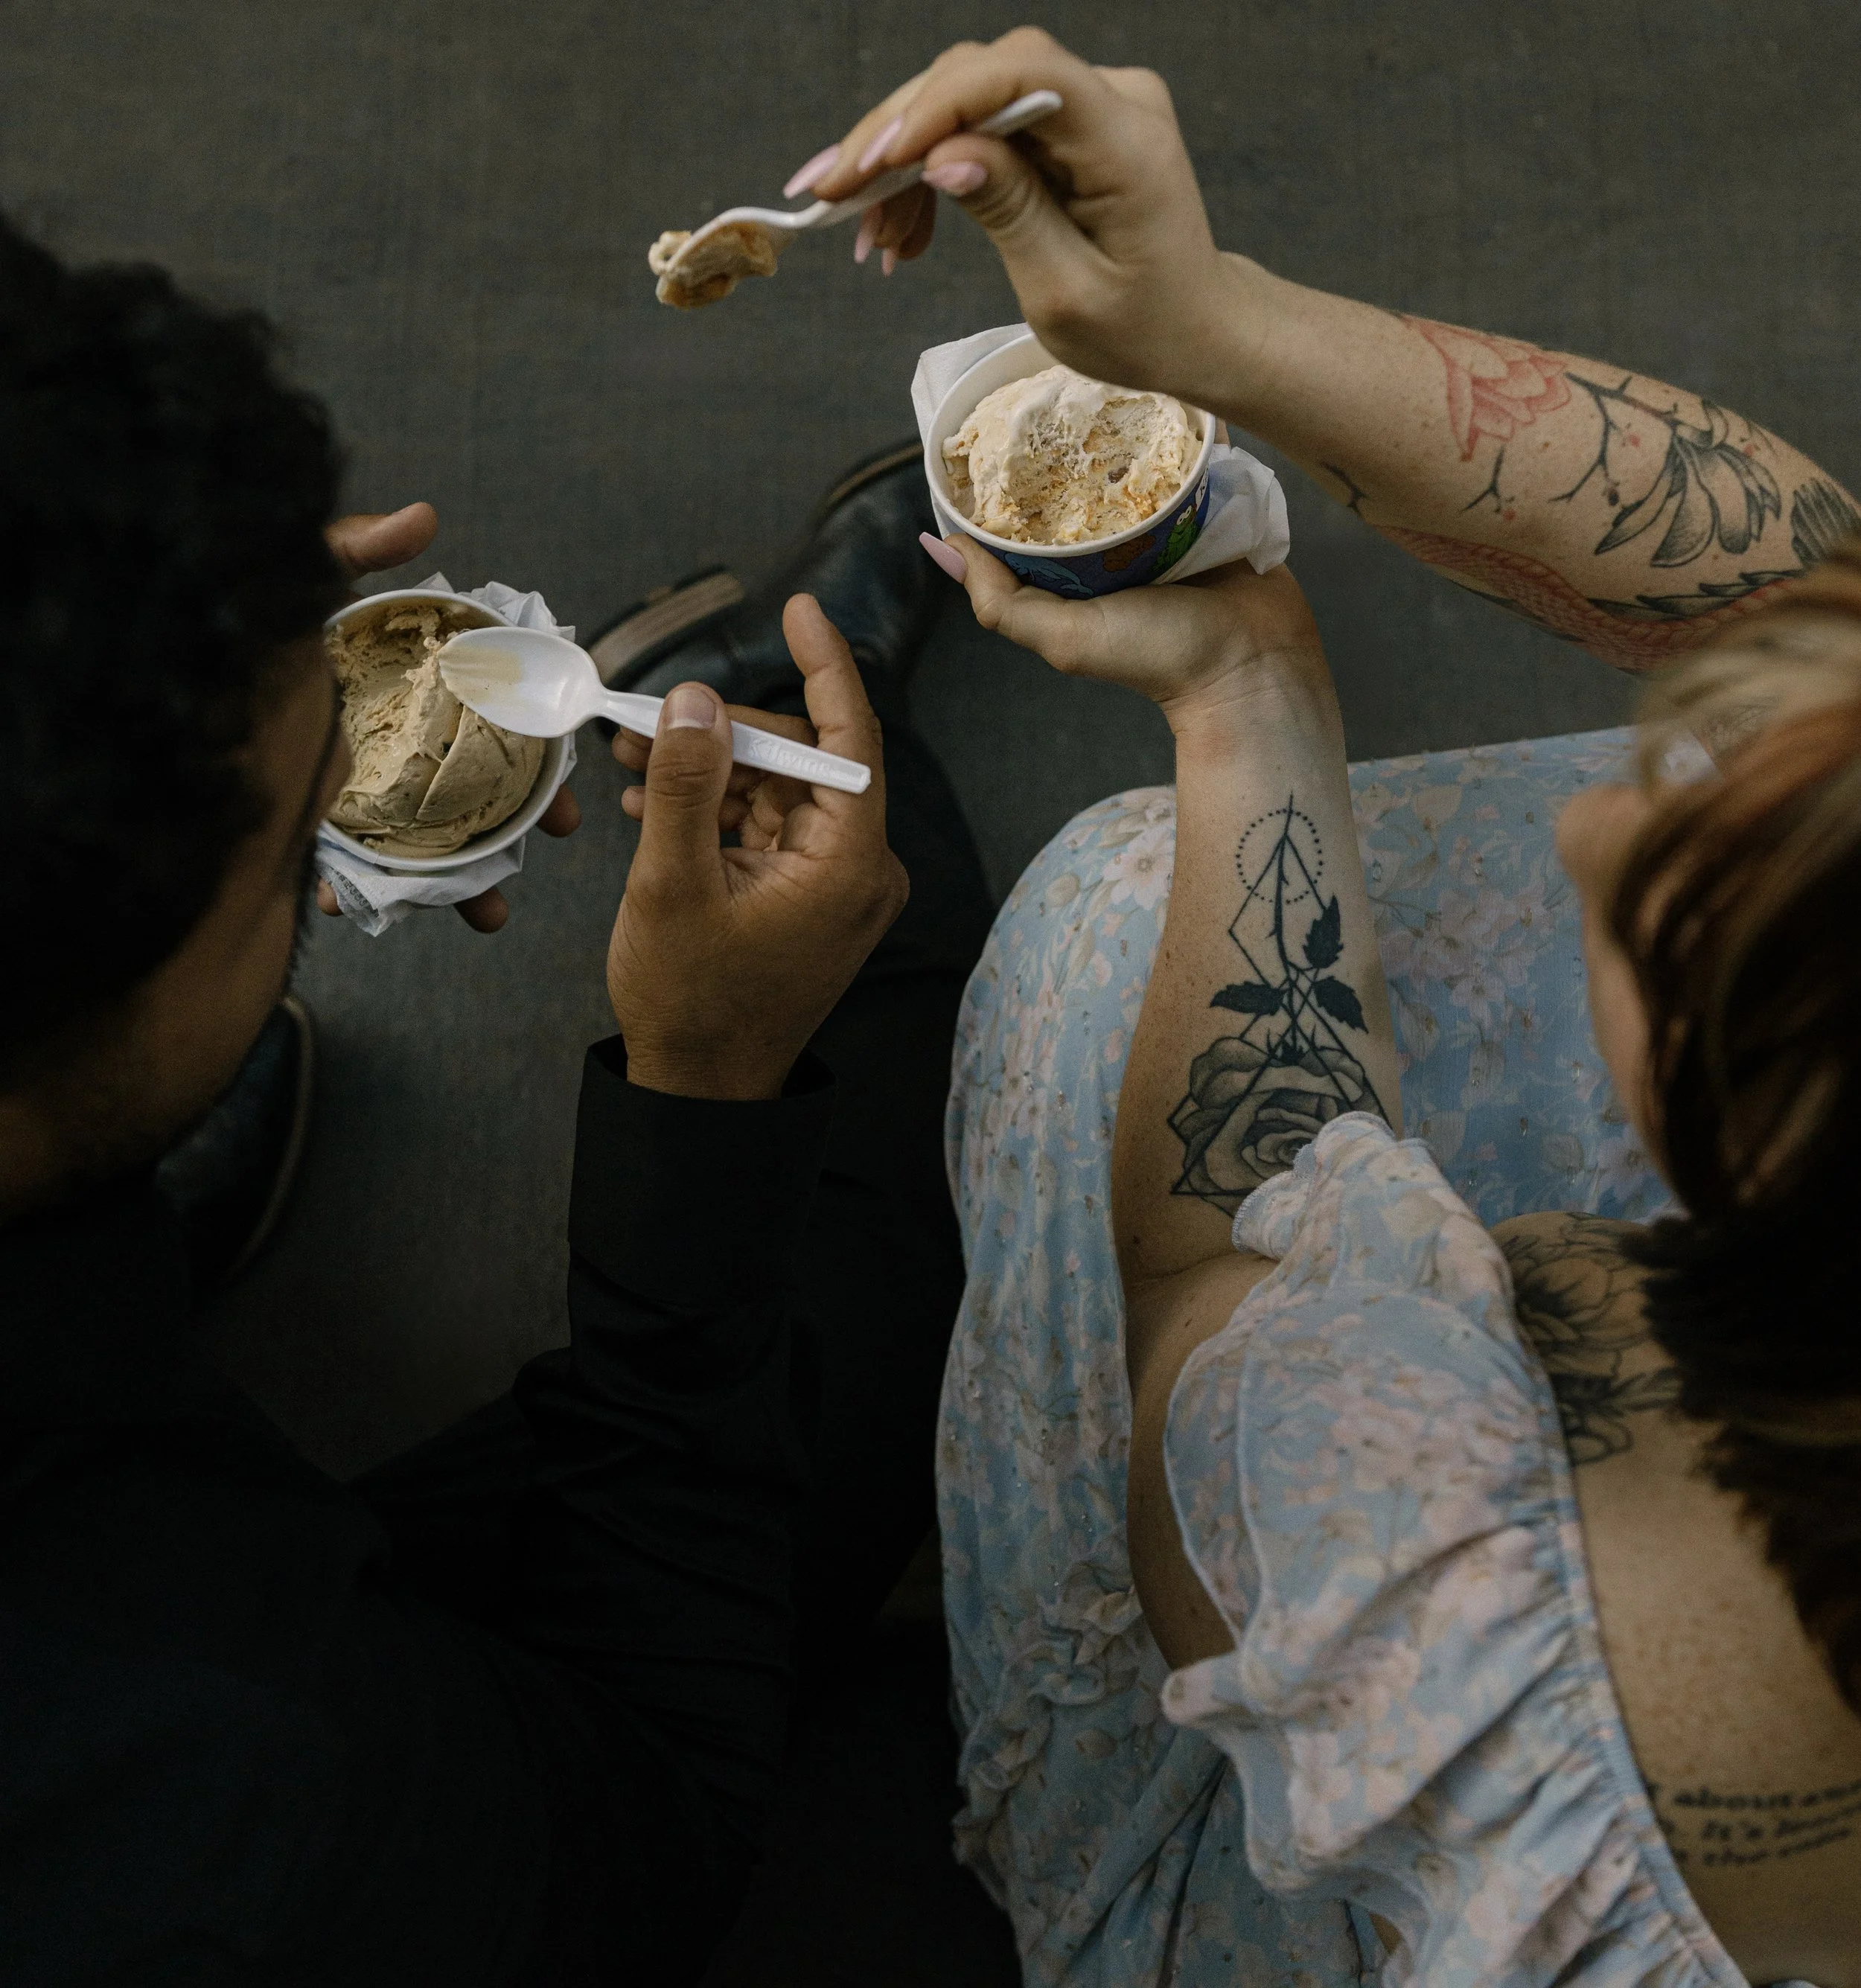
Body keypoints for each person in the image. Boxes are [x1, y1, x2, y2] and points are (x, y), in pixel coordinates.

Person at [778, 30, 1861, 1987]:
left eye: (1664, 918)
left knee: (1115, 927)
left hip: (1354, 1886)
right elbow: (1814, 611)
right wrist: (1223, 324)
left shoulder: (1459, 1582)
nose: (1606, 808)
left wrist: (1243, 697)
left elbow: (1214, 1261)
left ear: (1745, 1173)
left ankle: (1053, 1813)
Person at [0, 214, 994, 1981]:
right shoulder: (224, 1802)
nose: (321, 854)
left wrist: (137, 612)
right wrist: (709, 1086)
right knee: (858, 1265)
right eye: (303, 836)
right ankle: (838, 784)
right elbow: (642, 1827)